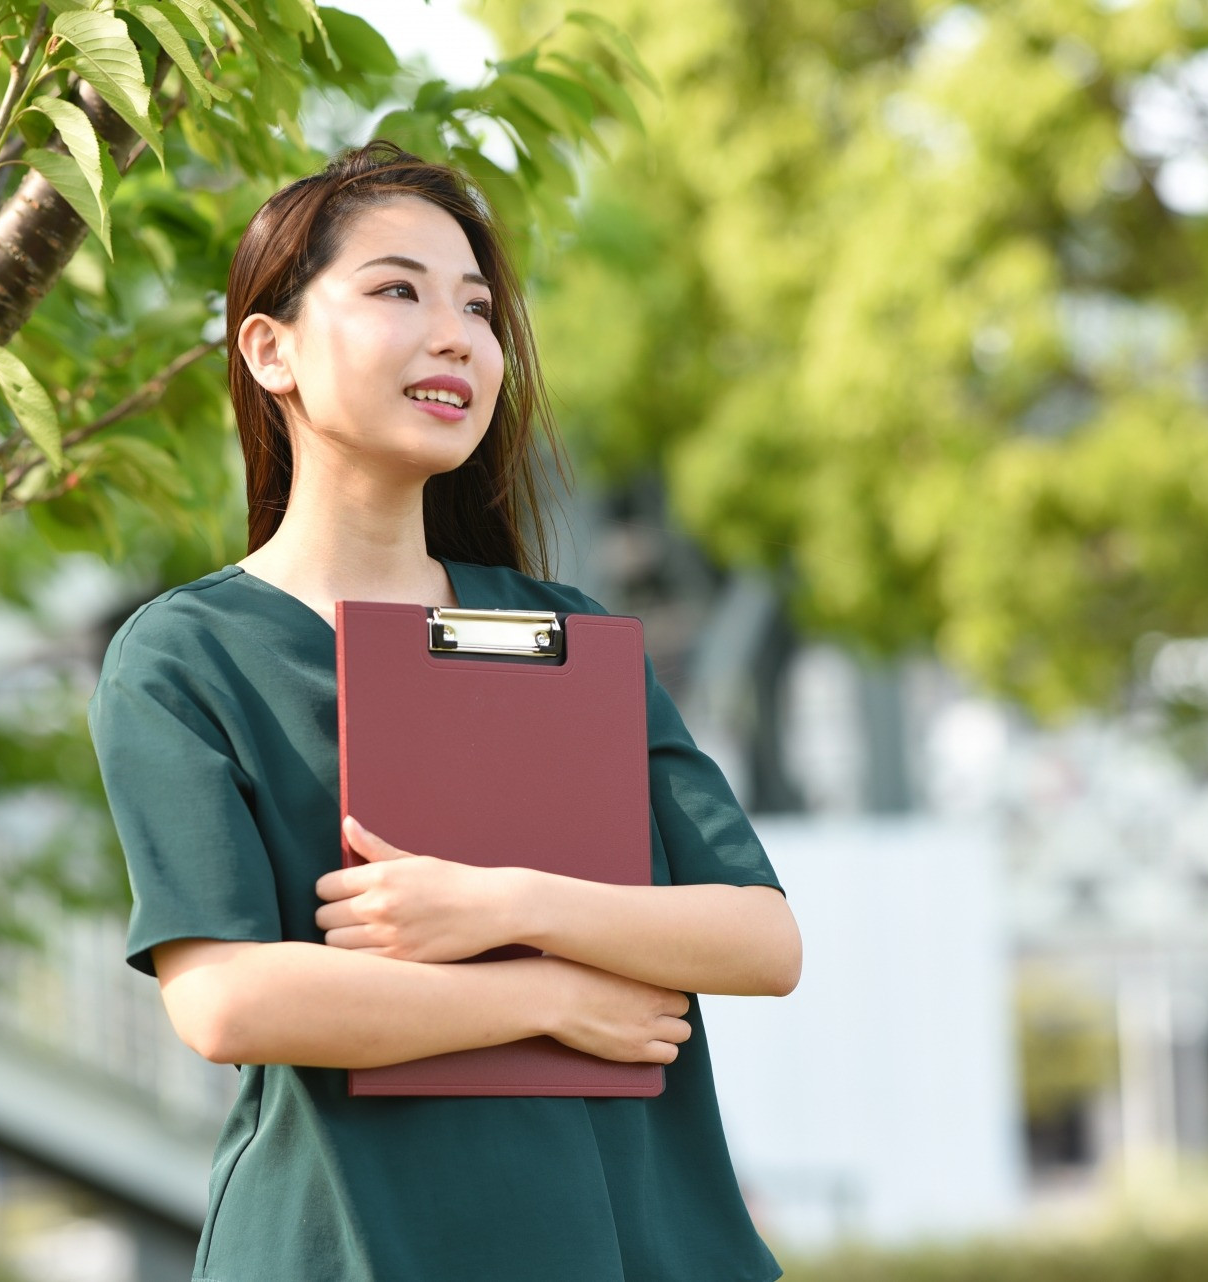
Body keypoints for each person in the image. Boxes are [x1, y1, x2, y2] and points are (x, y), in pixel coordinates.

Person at [87, 140, 802, 1282]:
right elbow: (227, 999)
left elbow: (761, 938)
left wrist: (496, 902)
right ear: (269, 349)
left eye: (478, 306)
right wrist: (549, 994)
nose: (460, 335)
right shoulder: (186, 656)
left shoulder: (569, 634)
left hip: (632, 1244)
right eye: (396, 291)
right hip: (353, 1248)